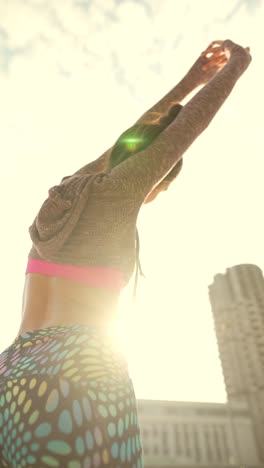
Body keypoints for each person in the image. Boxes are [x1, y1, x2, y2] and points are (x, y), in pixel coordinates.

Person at [0, 39, 251, 467]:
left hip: (10, 377)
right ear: (159, 180)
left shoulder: (67, 193)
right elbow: (187, 126)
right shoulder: (122, 193)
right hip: (79, 379)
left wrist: (192, 77)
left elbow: (129, 140)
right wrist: (237, 66)